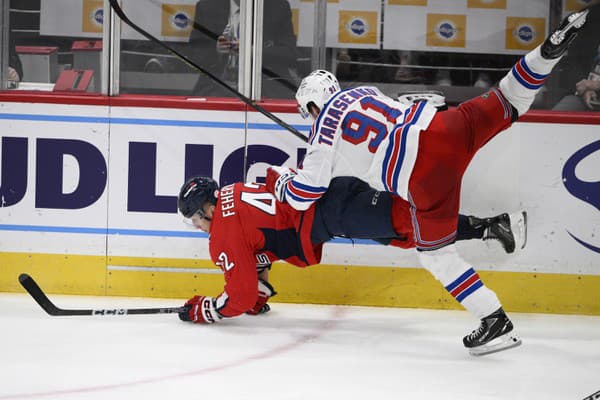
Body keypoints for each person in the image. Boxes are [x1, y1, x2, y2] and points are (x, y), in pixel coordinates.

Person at [265, 10, 589, 356]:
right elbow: (405, 107)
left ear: (311, 106)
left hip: (424, 176)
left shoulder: (321, 134)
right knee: (510, 98)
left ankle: (495, 321)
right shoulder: (364, 91)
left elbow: (303, 196)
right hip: (445, 128)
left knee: (437, 255)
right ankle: (545, 55)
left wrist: (283, 182)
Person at [176, 175, 526, 326]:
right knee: (408, 234)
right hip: (334, 199)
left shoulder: (222, 231)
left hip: (333, 213)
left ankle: (492, 225)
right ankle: (490, 227)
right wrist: (261, 288)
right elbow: (261, 244)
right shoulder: (234, 193)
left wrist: (206, 310)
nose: (198, 226)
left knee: (413, 224)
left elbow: (236, 297)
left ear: (207, 208)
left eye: (195, 218)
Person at [189, 0, 299, 98]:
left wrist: (251, 51)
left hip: (265, 88)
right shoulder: (207, 7)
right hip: (217, 87)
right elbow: (194, 54)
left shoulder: (278, 7)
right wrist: (217, 50)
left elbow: (289, 53)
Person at [549, 3, 600, 110]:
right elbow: (574, 62)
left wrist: (596, 85)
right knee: (559, 114)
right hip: (588, 95)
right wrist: (584, 89)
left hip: (594, 87)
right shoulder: (589, 15)